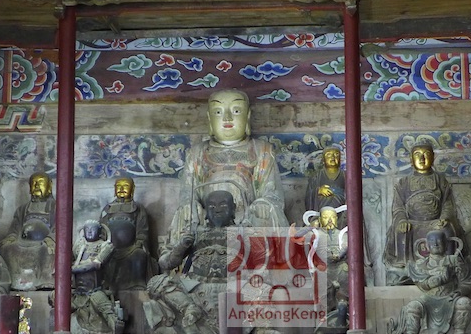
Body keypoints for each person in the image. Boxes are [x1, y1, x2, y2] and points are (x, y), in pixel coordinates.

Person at [167, 89, 289, 248]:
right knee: (185, 212)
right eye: (218, 112)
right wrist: (189, 203)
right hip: (209, 216)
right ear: (209, 118)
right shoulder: (196, 153)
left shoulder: (262, 150)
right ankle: (180, 259)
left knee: (267, 212)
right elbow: (187, 191)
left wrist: (264, 203)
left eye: (236, 111)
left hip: (247, 217)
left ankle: (262, 259)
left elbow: (271, 191)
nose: (227, 118)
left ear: (248, 116)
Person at [144, 190, 237, 333]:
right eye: (211, 206)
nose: (217, 210)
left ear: (233, 209)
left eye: (223, 205)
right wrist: (182, 246)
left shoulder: (244, 232)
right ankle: (189, 308)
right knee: (156, 283)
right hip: (196, 285)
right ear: (205, 212)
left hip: (234, 284)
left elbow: (263, 261)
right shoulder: (195, 233)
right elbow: (166, 263)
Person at [383, 142, 465, 271]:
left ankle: (448, 262)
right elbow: (398, 208)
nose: (422, 159)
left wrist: (444, 218)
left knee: (447, 229)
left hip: (435, 222)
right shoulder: (403, 183)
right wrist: (402, 220)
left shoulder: (440, 181)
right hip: (412, 222)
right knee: (401, 229)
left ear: (433, 158)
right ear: (411, 160)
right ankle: (404, 264)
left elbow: (447, 204)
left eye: (426, 154)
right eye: (417, 155)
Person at [389, 229, 471, 334]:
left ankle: (459, 331)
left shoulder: (454, 260)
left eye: (439, 241)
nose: (435, 244)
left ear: (446, 244)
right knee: (413, 307)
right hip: (428, 299)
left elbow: (466, 281)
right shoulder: (421, 264)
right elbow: (422, 284)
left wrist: (458, 292)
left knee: (464, 303)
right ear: (426, 246)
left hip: (450, 298)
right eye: (432, 241)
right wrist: (440, 279)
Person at [0, 172, 56, 290]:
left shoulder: (55, 207)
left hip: (44, 241)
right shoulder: (23, 209)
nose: (37, 186)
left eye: (41, 183)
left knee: (47, 250)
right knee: (6, 249)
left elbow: (60, 227)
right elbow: (15, 228)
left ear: (49, 187)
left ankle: (45, 280)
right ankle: (15, 281)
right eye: (34, 183)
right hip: (23, 241)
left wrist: (51, 238)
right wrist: (11, 237)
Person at [71, 220, 124, 334]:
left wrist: (71, 269)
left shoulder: (106, 246)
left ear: (100, 232)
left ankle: (115, 325)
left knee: (106, 309)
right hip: (77, 292)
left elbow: (95, 265)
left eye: (93, 229)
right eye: (87, 229)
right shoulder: (78, 246)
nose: (90, 232)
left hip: (95, 290)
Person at [100, 176, 152, 292]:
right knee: (102, 259)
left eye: (126, 186)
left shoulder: (138, 208)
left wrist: (139, 241)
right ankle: (106, 284)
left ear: (132, 189)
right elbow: (102, 228)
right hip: (110, 247)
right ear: (114, 189)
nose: (122, 189)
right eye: (118, 186)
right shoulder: (107, 209)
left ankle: (137, 283)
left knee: (139, 255)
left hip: (131, 248)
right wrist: (103, 243)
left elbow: (142, 228)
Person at [305, 146, 346, 228]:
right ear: (323, 159)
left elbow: (353, 195)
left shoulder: (346, 175)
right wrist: (318, 190)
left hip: (341, 210)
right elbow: (308, 195)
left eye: (336, 154)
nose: (333, 157)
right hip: (321, 209)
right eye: (329, 155)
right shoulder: (316, 176)